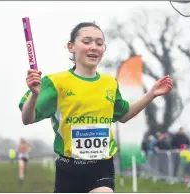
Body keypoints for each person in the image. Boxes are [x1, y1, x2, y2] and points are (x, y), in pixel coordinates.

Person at [19, 22, 173, 193]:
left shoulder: (109, 83)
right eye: (87, 41)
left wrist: (151, 94)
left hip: (102, 166)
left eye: (99, 43)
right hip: (69, 169)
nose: (94, 47)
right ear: (71, 47)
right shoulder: (55, 82)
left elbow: (123, 115)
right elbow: (27, 118)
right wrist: (34, 95)